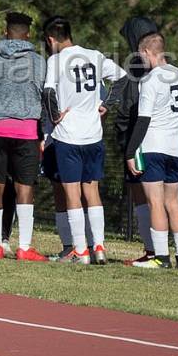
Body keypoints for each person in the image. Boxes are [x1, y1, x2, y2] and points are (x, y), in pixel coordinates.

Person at [43, 17, 126, 264]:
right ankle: (99, 247)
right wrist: (106, 104)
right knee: (92, 192)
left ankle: (81, 251)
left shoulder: (55, 60)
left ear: (51, 39)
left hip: (68, 135)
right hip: (93, 135)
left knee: (72, 193)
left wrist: (55, 117)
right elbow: (122, 78)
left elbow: (48, 92)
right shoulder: (95, 55)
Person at [0, 12, 47, 261]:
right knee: (24, 188)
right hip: (26, 130)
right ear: (28, 35)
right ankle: (24, 247)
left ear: (5, 32)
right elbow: (42, 91)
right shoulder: (38, 61)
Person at [125, 33, 178, 269]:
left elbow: (143, 119)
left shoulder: (150, 80)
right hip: (176, 148)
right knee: (173, 202)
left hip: (154, 145)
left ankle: (162, 257)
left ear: (146, 52)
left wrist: (130, 152)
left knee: (155, 202)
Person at [114, 16, 160, 263]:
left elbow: (128, 108)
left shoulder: (136, 67)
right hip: (166, 142)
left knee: (144, 198)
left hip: (139, 141)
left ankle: (153, 251)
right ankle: (162, 251)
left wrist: (125, 141)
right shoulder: (167, 69)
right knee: (162, 198)